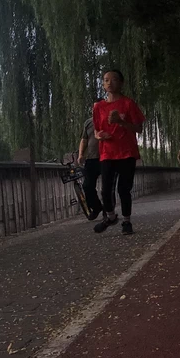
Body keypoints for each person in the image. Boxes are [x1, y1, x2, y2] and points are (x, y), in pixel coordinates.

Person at [92, 69, 145, 235]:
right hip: (107, 152)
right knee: (105, 189)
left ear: (121, 83)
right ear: (103, 84)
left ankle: (127, 221)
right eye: (106, 80)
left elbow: (138, 128)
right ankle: (111, 216)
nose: (109, 83)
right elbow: (96, 130)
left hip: (126, 152)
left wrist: (121, 122)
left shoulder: (128, 104)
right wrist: (100, 136)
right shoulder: (98, 107)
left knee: (123, 189)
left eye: (113, 80)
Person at [78, 99, 106, 220]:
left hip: (107, 158)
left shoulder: (108, 121)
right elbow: (84, 139)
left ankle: (108, 211)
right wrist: (80, 154)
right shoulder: (88, 123)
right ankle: (97, 207)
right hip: (91, 159)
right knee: (87, 186)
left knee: (107, 187)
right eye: (94, 108)